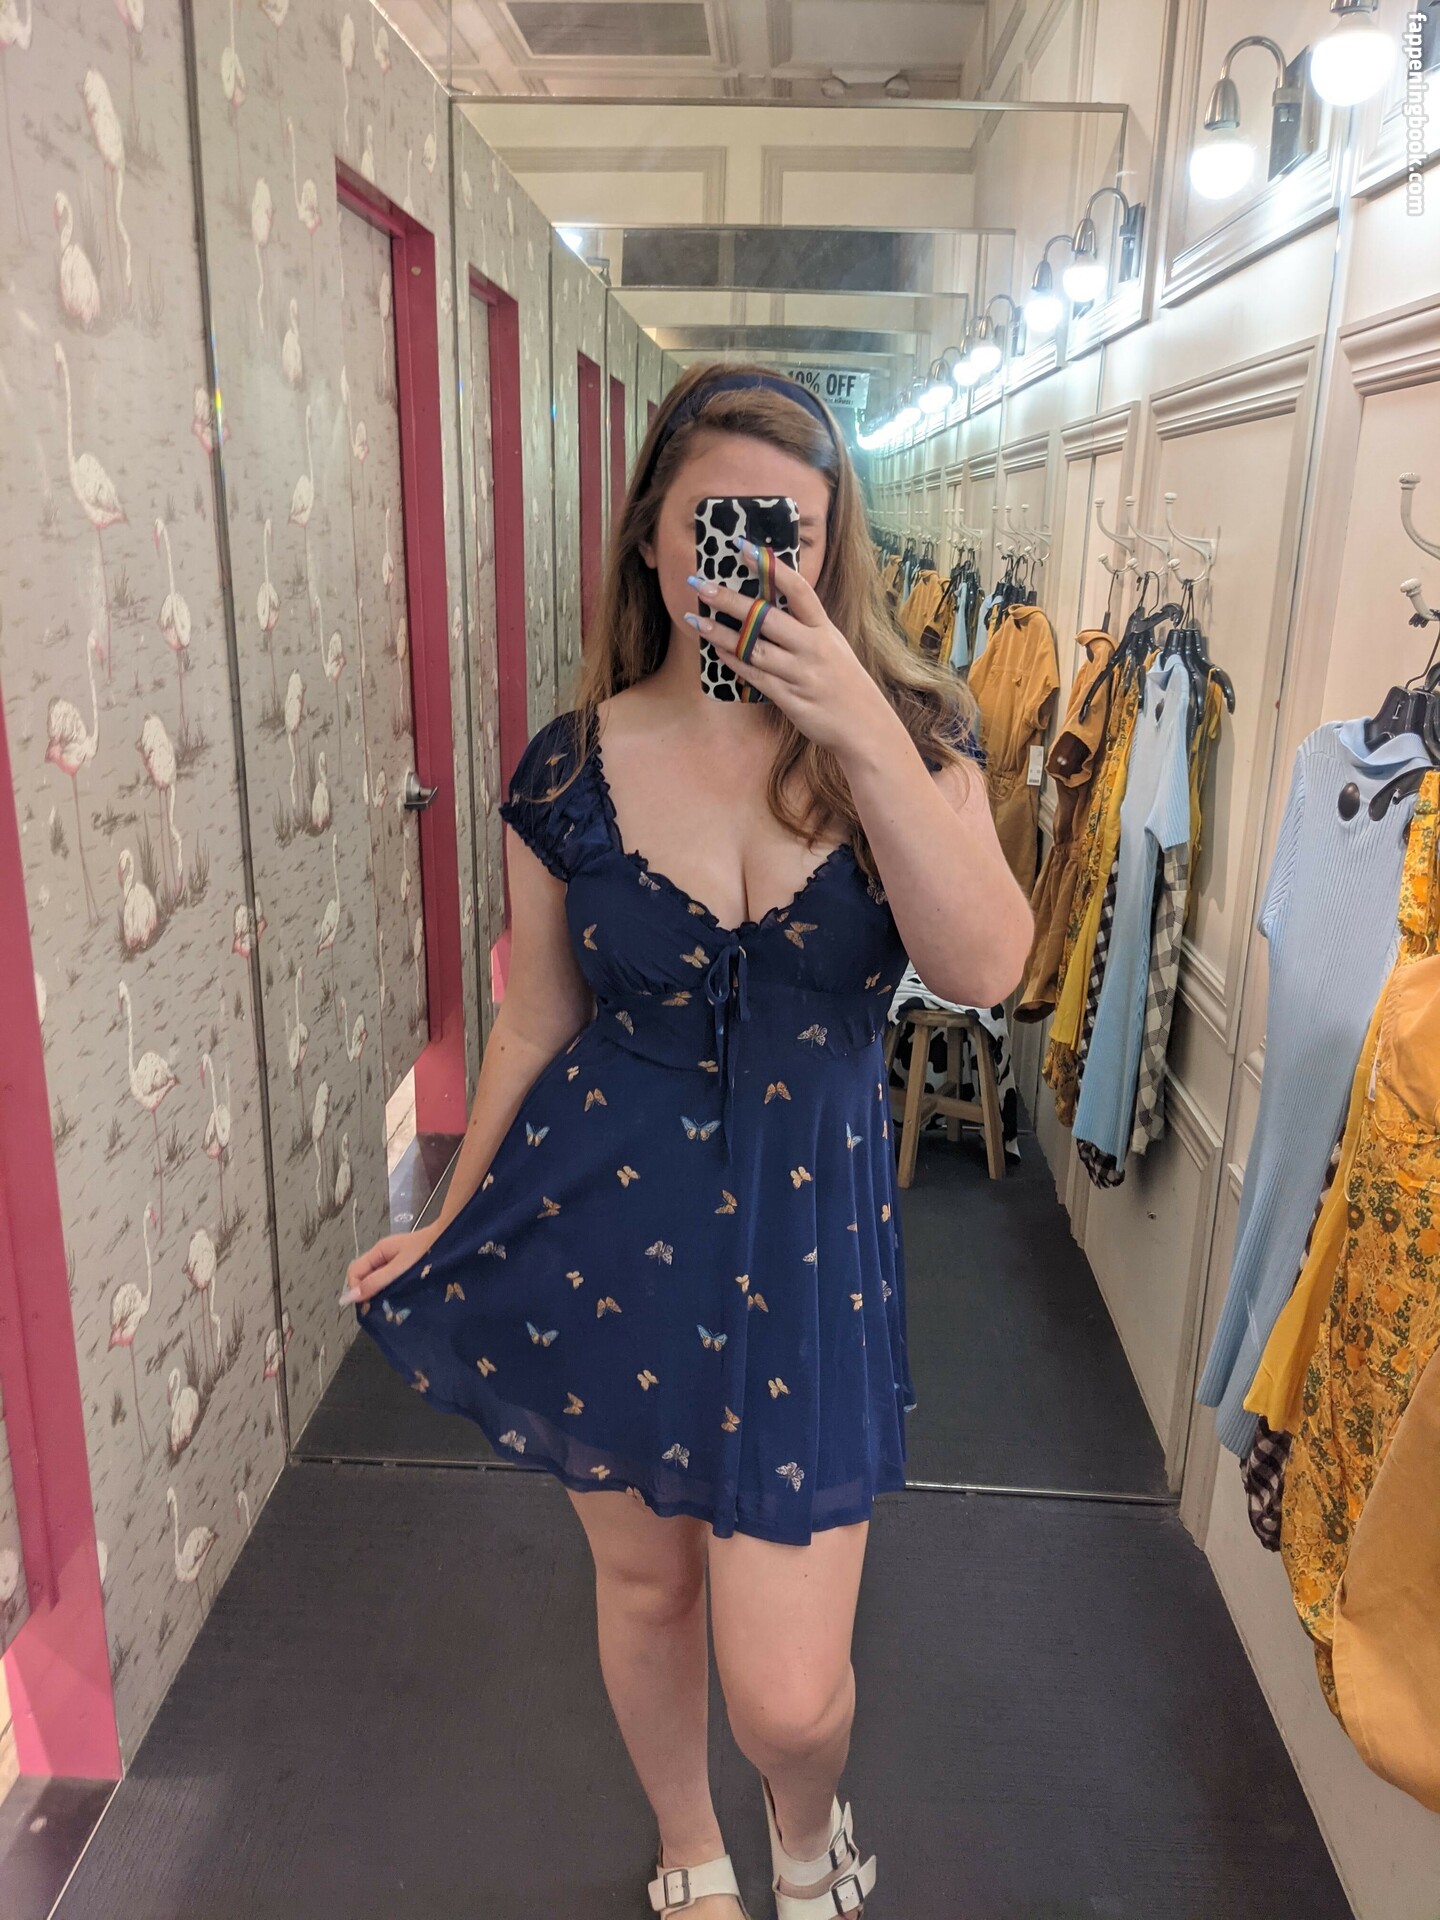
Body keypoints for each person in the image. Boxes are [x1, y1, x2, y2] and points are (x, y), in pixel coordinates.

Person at [341, 363, 1033, 1918]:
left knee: (790, 1694)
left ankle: (805, 1826)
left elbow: (987, 967)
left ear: (834, 547)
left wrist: (859, 724)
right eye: (720, 521)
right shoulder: (567, 767)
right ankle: (688, 1849)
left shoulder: (916, 735)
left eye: (793, 530)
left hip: (810, 1245)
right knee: (647, 1587)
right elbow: (534, 1019)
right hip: (610, 1228)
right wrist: (448, 1210)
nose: (751, 558)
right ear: (654, 535)